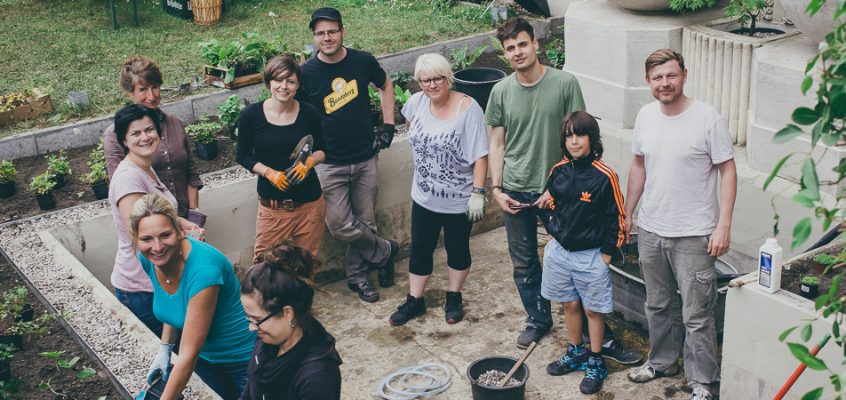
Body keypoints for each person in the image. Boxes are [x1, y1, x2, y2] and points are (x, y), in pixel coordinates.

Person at [624, 48, 737, 400]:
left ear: (684, 75)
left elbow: (728, 171)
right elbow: (639, 166)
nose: (665, 83)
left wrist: (723, 226)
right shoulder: (645, 115)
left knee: (697, 313)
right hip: (652, 228)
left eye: (671, 75)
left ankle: (702, 381)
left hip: (694, 233)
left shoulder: (707, 118)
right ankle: (662, 361)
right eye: (657, 78)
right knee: (656, 304)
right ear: (648, 82)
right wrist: (628, 213)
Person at [300, 7, 400, 303]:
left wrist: (389, 125)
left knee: (365, 221)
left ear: (343, 31)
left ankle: (358, 277)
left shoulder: (362, 61)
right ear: (314, 37)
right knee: (340, 224)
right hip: (329, 162)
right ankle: (386, 252)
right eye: (320, 33)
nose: (327, 37)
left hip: (366, 156)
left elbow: (386, 85)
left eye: (332, 31)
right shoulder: (306, 73)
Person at [388, 53, 489, 326]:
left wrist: (478, 193)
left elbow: (480, 155)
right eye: (425, 80)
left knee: (457, 249)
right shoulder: (415, 103)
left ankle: (454, 295)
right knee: (421, 248)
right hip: (423, 196)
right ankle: (415, 300)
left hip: (458, 198)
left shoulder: (469, 109)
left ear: (448, 78)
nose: (431, 85)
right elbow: (413, 128)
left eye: (437, 79)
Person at [131, 194, 255, 400]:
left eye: (165, 235)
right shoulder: (149, 260)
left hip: (243, 360)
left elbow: (188, 355)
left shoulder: (204, 271)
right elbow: (176, 305)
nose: (157, 247)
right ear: (136, 239)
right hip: (206, 361)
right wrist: (165, 348)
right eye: (146, 239)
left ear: (180, 232)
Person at [539, 111, 624, 394]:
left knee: (592, 309)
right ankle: (576, 352)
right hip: (560, 253)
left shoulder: (605, 176)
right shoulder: (558, 171)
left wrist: (607, 255)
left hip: (591, 256)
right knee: (569, 305)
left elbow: (617, 219)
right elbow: (548, 204)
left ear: (592, 139)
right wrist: (553, 231)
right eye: (569, 136)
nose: (574, 142)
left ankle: (596, 361)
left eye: (580, 135)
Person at [108, 104, 202, 337]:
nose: (145, 137)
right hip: (142, 288)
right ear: (124, 141)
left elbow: (154, 213)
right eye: (136, 133)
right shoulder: (129, 179)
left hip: (157, 282)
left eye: (149, 130)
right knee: (174, 354)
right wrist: (189, 242)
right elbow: (143, 239)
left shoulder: (145, 167)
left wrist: (181, 222)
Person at [237, 55, 327, 260]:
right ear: (269, 82)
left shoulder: (309, 113)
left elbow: (323, 149)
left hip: (310, 206)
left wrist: (309, 162)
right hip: (273, 208)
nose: (283, 86)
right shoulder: (251, 115)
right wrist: (269, 173)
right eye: (278, 80)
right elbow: (242, 155)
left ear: (297, 85)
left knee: (305, 267)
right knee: (265, 268)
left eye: (290, 81)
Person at [104, 56, 204, 223]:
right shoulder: (115, 134)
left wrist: (194, 216)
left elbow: (191, 173)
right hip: (151, 227)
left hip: (186, 219)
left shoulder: (174, 123)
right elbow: (121, 187)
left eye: (155, 87)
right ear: (131, 93)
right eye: (142, 89)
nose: (151, 96)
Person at [239, 240, 343, 400]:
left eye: (257, 319)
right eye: (249, 318)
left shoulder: (317, 380)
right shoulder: (269, 338)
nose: (251, 328)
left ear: (287, 313)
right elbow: (251, 387)